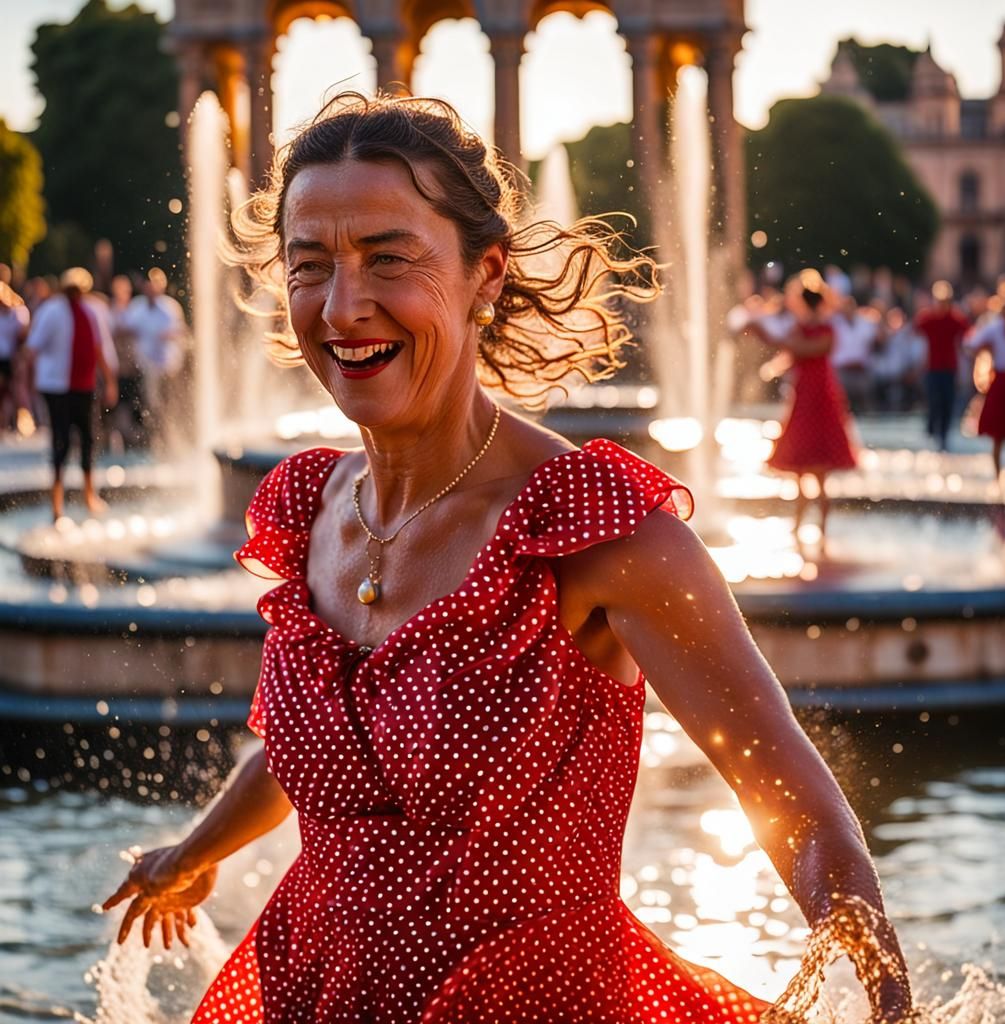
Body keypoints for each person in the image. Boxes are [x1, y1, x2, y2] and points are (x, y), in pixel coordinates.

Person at [103, 94, 914, 1024]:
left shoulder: (600, 533)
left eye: (388, 258)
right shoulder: (309, 506)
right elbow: (329, 748)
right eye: (310, 265)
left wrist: (885, 996)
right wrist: (195, 852)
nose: (342, 305)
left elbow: (795, 802)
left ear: (486, 273)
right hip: (310, 986)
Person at [745, 271, 858, 542]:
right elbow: (794, 350)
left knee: (816, 467)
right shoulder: (808, 327)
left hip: (817, 394)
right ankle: (804, 525)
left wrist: (781, 343)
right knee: (803, 466)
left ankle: (817, 527)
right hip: (810, 393)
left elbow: (810, 349)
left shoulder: (817, 329)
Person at [24, 267, 118, 519]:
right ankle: (57, 504)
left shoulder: (90, 311)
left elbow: (99, 349)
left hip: (82, 386)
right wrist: (28, 383)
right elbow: (33, 348)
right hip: (56, 387)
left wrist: (109, 381)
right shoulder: (52, 311)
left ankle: (89, 495)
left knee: (87, 440)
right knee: (61, 443)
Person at [965, 286, 1005, 483]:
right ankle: (998, 477)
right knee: (998, 434)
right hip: (1002, 380)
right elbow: (971, 345)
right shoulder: (995, 328)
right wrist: (986, 352)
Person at [121, 267, 186, 442]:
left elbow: (181, 332)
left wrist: (167, 335)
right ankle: (150, 436)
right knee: (146, 403)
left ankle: (167, 435)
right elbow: (125, 331)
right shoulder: (137, 307)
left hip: (166, 366)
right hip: (144, 366)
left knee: (165, 404)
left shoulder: (170, 307)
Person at [913, 281, 969, 450]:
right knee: (933, 401)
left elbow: (966, 338)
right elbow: (915, 331)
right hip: (931, 367)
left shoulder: (956, 318)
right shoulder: (928, 318)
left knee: (947, 402)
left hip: (949, 367)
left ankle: (943, 435)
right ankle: (932, 429)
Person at [108, 274, 146, 448]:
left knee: (134, 402)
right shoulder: (111, 311)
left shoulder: (135, 310)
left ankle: (133, 437)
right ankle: (120, 437)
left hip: (133, 365)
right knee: (118, 404)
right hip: (117, 365)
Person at [830, 294, 879, 414]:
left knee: (866, 396)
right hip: (841, 370)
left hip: (861, 370)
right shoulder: (834, 324)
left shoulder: (866, 323)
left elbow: (876, 342)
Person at [0, 281, 30, 431]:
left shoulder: (18, 313)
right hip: (2, 358)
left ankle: (21, 420)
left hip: (12, 358)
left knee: (17, 391)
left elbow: (23, 336)